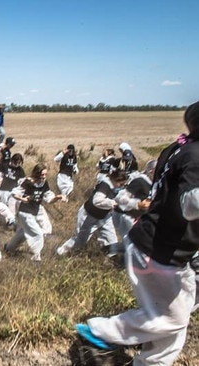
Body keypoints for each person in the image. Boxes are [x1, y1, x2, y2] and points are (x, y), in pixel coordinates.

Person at [76, 101, 199, 366]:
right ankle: (98, 331)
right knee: (172, 319)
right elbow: (191, 205)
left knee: (174, 329)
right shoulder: (196, 155)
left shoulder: (178, 148)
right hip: (160, 252)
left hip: (158, 245)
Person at [55, 169, 128, 257]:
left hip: (105, 217)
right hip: (89, 215)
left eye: (123, 185)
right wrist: (113, 203)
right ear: (114, 179)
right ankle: (60, 253)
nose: (122, 186)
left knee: (111, 239)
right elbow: (96, 201)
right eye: (121, 184)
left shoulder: (116, 188)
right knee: (80, 240)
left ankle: (113, 259)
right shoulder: (104, 185)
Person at [4, 163, 63, 261]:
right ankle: (36, 258)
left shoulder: (44, 183)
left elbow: (49, 199)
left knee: (23, 233)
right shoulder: (28, 182)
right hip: (25, 212)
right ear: (36, 173)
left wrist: (57, 197)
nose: (44, 177)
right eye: (42, 175)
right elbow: (14, 193)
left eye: (45, 175)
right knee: (38, 234)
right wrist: (22, 199)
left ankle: (9, 248)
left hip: (35, 211)